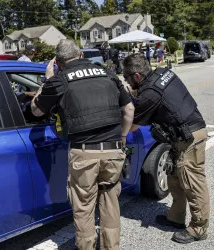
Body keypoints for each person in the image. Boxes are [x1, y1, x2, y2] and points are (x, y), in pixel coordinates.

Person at [31, 39, 135, 250]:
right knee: (110, 205)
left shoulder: (59, 80)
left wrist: (47, 80)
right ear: (80, 55)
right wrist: (122, 137)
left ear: (58, 62)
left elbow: (35, 110)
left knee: (84, 208)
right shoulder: (107, 73)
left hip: (84, 154)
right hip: (114, 150)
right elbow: (129, 110)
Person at [122, 53, 210, 244]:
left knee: (193, 183)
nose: (126, 81)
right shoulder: (162, 73)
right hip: (183, 134)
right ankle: (176, 218)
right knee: (175, 179)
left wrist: (129, 98)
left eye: (127, 77)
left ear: (136, 76)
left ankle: (199, 228)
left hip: (190, 138)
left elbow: (133, 126)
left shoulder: (149, 94)